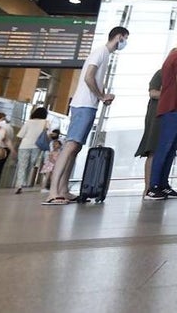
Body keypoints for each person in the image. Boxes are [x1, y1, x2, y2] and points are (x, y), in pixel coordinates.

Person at [43, 26, 129, 206]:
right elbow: (89, 77)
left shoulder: (104, 55)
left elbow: (95, 79)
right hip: (83, 104)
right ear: (119, 37)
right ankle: (53, 192)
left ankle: (64, 190)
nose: (124, 43)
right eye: (125, 38)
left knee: (75, 148)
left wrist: (102, 96)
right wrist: (101, 96)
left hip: (88, 105)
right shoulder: (100, 52)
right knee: (70, 146)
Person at [146, 31, 177, 200]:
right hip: (173, 107)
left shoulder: (170, 57)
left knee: (170, 148)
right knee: (165, 147)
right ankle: (154, 186)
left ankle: (162, 184)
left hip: (170, 108)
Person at [134, 69, 163, 195]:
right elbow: (153, 93)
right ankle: (148, 187)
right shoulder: (160, 74)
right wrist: (171, 96)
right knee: (153, 150)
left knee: (162, 152)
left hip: (166, 116)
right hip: (156, 116)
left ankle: (158, 185)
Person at [13, 107, 49, 194]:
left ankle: (19, 185)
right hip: (37, 146)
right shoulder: (46, 123)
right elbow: (48, 135)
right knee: (31, 164)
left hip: (24, 146)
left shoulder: (29, 122)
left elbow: (20, 135)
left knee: (22, 165)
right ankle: (22, 183)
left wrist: (15, 147)